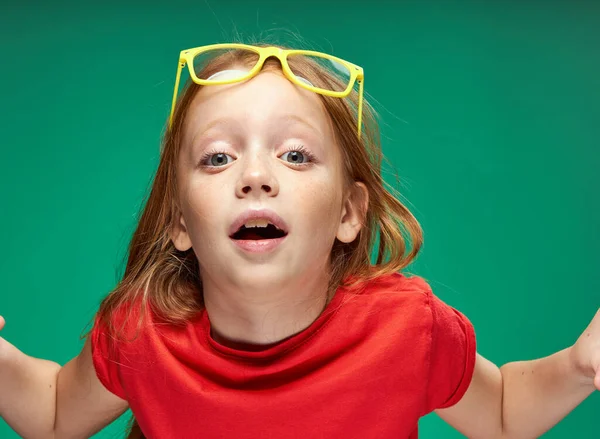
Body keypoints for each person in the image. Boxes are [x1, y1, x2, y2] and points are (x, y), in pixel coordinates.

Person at [0, 43, 598, 439]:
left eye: (293, 154)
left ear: (349, 212)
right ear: (179, 220)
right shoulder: (140, 333)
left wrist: (579, 366)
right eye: (216, 157)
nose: (255, 175)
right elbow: (53, 413)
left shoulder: (407, 328)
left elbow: (499, 412)